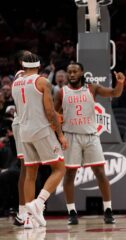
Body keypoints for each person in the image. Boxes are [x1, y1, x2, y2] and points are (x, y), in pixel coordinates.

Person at [54, 62, 124, 225]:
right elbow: (53, 114)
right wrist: (58, 132)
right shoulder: (61, 93)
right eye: (69, 72)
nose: (72, 74)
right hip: (71, 136)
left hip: (91, 136)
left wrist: (120, 83)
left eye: (75, 71)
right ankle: (72, 212)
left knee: (100, 173)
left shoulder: (92, 88)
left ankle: (108, 210)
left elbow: (115, 93)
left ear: (82, 73)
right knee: (70, 174)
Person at [11, 53, 67, 228]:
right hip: (41, 130)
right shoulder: (42, 82)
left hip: (23, 131)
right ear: (40, 64)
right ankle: (38, 203)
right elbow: (50, 112)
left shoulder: (15, 82)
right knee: (59, 168)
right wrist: (60, 134)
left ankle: (28, 218)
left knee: (30, 173)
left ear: (22, 65)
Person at [11, 50, 31, 227]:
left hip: (30, 124)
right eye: (26, 56)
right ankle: (23, 212)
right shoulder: (22, 76)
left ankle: (29, 210)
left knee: (32, 169)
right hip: (23, 124)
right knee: (27, 168)